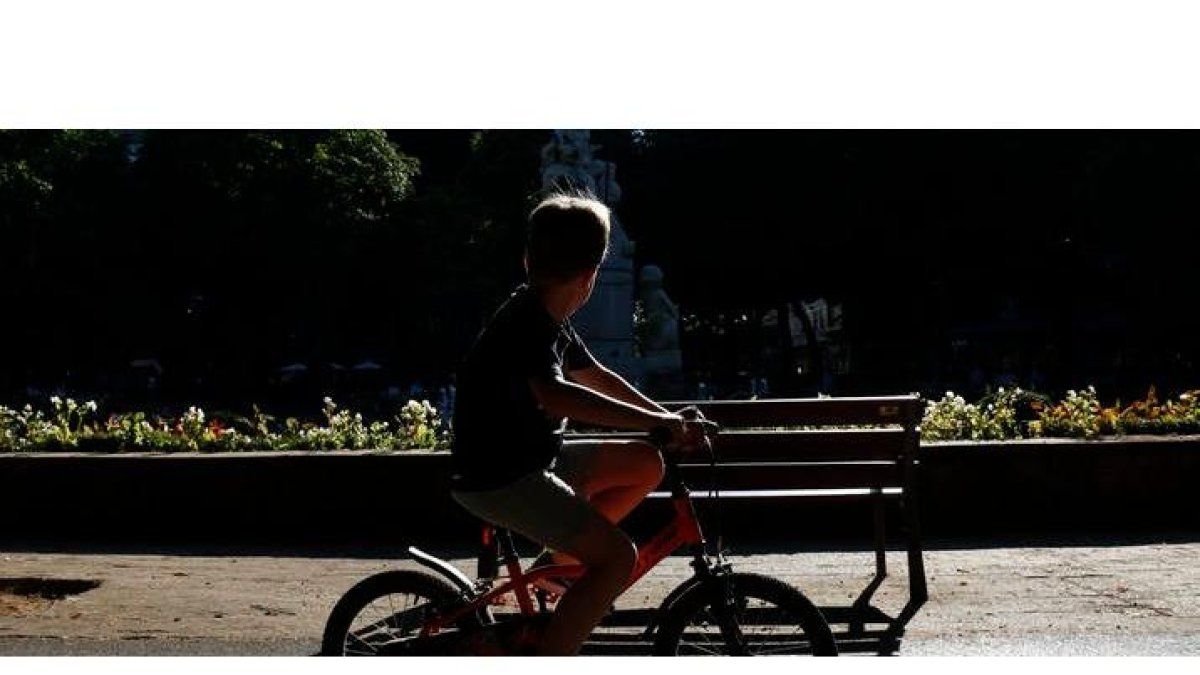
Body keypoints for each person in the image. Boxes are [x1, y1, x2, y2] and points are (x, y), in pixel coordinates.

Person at [450, 191, 702, 655]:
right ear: (590, 278)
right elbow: (559, 393)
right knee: (617, 559)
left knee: (645, 462)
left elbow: (593, 376)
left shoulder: (546, 314)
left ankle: (558, 567)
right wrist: (652, 420)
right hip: (501, 478)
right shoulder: (526, 322)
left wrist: (660, 418)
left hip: (531, 459)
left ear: (528, 259)